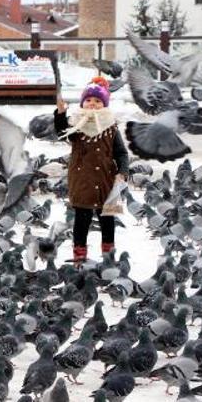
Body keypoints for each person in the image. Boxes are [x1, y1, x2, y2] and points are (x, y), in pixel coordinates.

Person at [53, 77, 129, 265]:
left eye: (97, 101)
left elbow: (121, 152)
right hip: (82, 179)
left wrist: (123, 171)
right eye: (88, 100)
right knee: (82, 219)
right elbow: (61, 132)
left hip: (107, 179)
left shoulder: (111, 126)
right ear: (82, 103)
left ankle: (108, 256)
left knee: (107, 220)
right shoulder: (76, 124)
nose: (92, 104)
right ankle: (80, 256)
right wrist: (61, 113)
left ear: (104, 104)